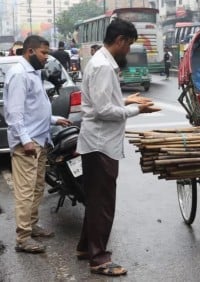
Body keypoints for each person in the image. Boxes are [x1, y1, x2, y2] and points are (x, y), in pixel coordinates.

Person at [76, 18, 160, 276]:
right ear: (120, 40)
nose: (129, 50)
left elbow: (101, 101)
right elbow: (103, 110)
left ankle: (85, 248)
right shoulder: (103, 66)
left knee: (95, 198)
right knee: (103, 202)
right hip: (101, 143)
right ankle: (99, 259)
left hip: (97, 141)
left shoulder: (101, 63)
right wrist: (136, 108)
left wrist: (126, 99)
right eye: (129, 45)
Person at [3, 35, 71, 254]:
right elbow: (14, 114)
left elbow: (34, 107)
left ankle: (32, 226)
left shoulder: (33, 73)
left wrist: (53, 119)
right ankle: (23, 238)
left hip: (40, 139)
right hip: (29, 143)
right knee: (25, 191)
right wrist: (25, 141)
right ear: (30, 51)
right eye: (44, 53)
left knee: (37, 188)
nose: (46, 57)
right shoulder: (19, 74)